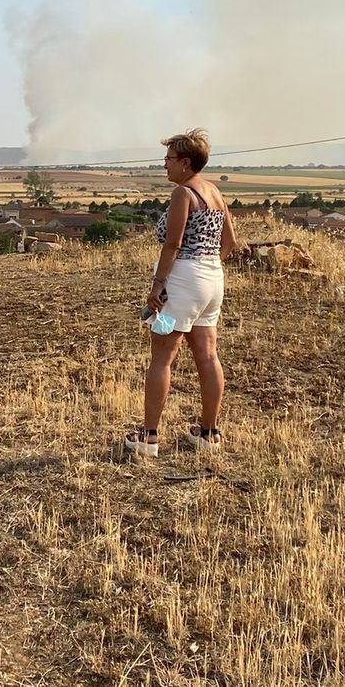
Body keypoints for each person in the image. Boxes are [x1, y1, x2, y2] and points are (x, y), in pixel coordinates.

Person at [125, 129, 240, 458]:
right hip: (212, 280)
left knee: (162, 357)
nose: (164, 165)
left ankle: (148, 437)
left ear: (185, 163)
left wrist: (158, 285)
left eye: (169, 159)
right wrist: (207, 266)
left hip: (183, 281)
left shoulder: (184, 195)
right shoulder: (215, 192)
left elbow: (172, 244)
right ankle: (209, 433)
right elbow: (229, 243)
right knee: (207, 355)